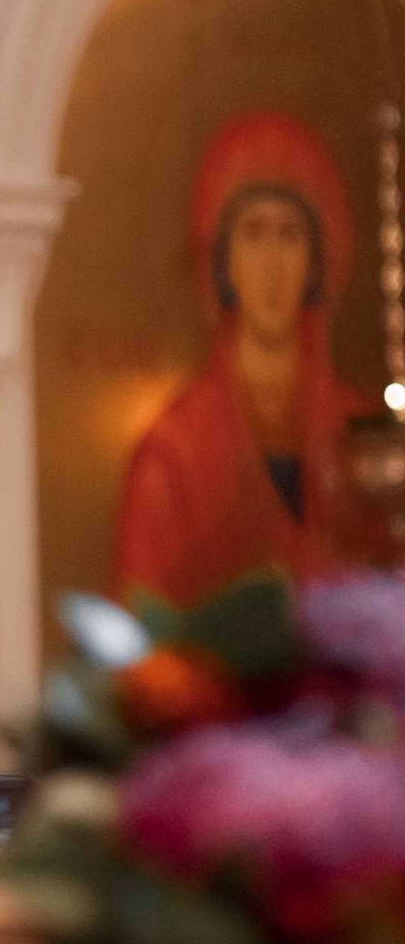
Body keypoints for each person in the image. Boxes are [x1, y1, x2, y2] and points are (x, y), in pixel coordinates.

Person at [113, 110, 381, 608]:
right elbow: (143, 636)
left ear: (317, 259)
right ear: (222, 261)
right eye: (253, 234)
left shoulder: (359, 429)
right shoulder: (171, 455)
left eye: (290, 235)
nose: (273, 265)